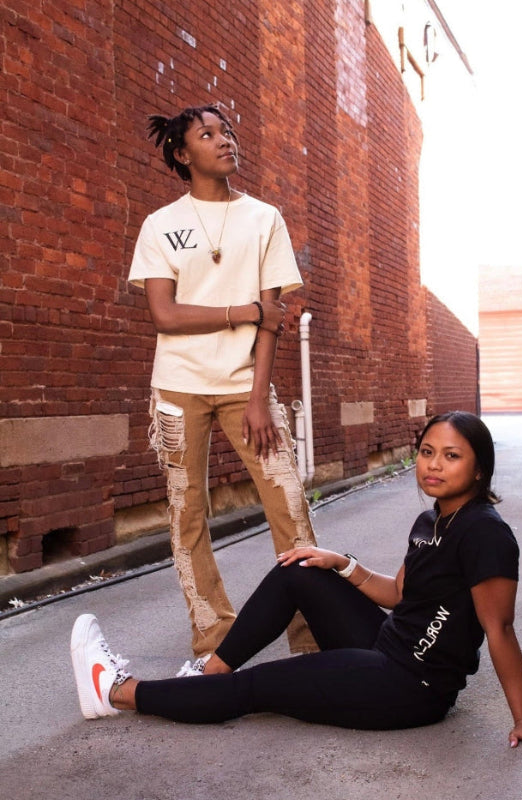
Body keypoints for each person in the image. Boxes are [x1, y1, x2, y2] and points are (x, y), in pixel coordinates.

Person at [71, 411, 522, 752]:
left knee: (260, 686)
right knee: (300, 571)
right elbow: (398, 594)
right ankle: (211, 673)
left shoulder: (486, 535)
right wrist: (338, 562)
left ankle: (115, 692)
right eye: (427, 451)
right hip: (384, 645)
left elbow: (499, 630)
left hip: (410, 686)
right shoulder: (433, 519)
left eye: (451, 456)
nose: (433, 465)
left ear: (480, 470)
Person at [127, 104, 318, 666]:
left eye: (227, 131)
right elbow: (164, 314)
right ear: (183, 154)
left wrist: (260, 398)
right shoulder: (161, 224)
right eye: (207, 134)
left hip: (245, 389)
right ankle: (214, 642)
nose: (224, 140)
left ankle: (310, 644)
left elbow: (274, 317)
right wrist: (242, 309)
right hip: (178, 389)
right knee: (186, 515)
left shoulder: (264, 218)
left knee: (289, 506)